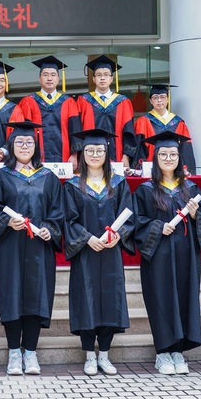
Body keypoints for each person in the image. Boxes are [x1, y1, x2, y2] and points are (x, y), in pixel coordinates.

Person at [0, 121, 64, 376]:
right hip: (9, 247)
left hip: (39, 247)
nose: (25, 146)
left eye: (29, 142)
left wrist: (50, 229)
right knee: (11, 295)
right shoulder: (0, 176)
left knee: (36, 296)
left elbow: (57, 212)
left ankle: (30, 352)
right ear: (11, 146)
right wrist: (7, 221)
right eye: (19, 142)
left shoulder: (48, 178)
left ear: (36, 146)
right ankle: (13, 353)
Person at [133, 131, 201, 375]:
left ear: (180, 158)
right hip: (158, 256)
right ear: (156, 158)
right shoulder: (145, 190)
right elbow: (136, 222)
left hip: (186, 255)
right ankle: (162, 352)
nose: (168, 158)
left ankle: (178, 351)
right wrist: (158, 227)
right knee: (161, 298)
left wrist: (195, 214)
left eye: (173, 154)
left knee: (184, 298)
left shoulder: (191, 189)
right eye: (163, 154)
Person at [63, 128, 135, 376]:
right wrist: (87, 238)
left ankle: (104, 355)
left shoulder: (119, 183)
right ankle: (89, 356)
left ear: (107, 153)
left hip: (110, 252)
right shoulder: (73, 185)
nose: (95, 154)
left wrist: (118, 235)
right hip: (86, 253)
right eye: (90, 150)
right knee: (87, 301)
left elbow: (128, 216)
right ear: (82, 154)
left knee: (109, 301)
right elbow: (69, 220)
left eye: (99, 150)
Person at [17, 55, 82, 166]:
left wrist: (74, 155)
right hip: (36, 157)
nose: (49, 78)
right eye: (45, 75)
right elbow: (24, 132)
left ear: (58, 78)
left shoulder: (69, 102)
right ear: (39, 79)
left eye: (53, 75)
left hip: (65, 156)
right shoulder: (28, 102)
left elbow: (75, 130)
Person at [76, 56, 137, 168]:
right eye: (99, 75)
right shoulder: (83, 101)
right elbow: (78, 130)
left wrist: (126, 155)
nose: (102, 78)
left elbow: (128, 131)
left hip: (117, 156)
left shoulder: (123, 102)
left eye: (106, 75)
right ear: (93, 79)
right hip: (90, 155)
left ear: (111, 78)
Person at [134, 84, 197, 173]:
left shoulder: (178, 123)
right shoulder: (143, 121)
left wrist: (186, 170)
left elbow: (186, 150)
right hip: (151, 170)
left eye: (163, 97)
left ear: (167, 99)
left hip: (174, 170)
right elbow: (139, 150)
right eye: (155, 97)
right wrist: (141, 169)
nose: (159, 100)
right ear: (151, 101)